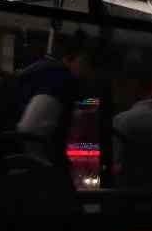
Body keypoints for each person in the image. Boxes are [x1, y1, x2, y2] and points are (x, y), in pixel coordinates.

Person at [15, 31, 105, 165]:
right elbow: (29, 129)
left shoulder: (42, 70)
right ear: (82, 59)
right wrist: (51, 170)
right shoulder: (60, 79)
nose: (92, 79)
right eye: (95, 70)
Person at [109, 49, 152, 190]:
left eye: (118, 87)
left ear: (130, 87)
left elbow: (117, 167)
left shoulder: (121, 121)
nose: (116, 94)